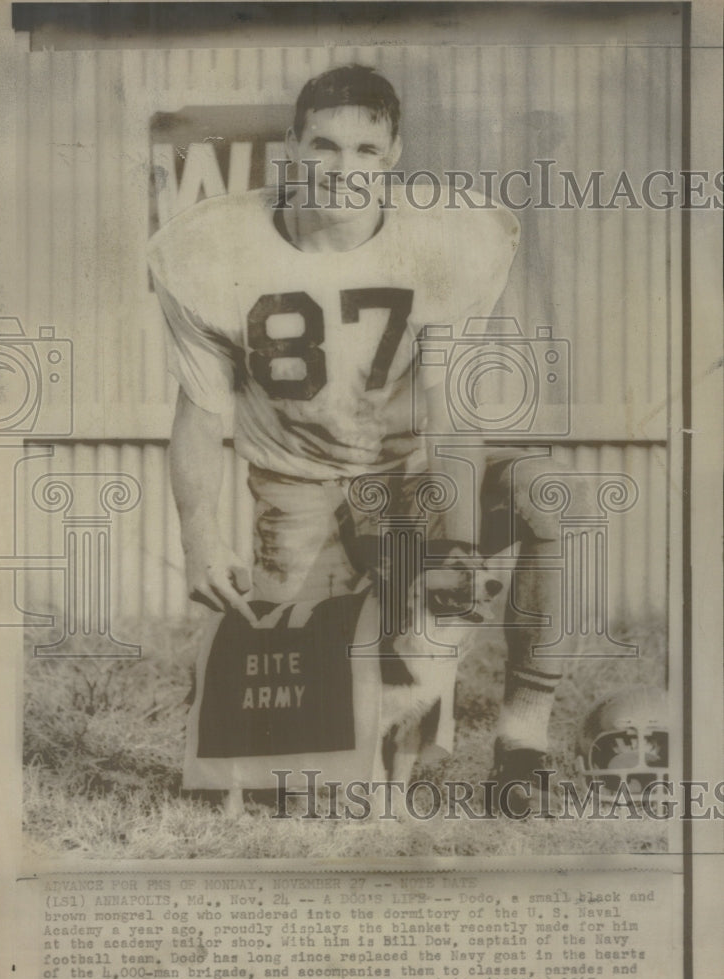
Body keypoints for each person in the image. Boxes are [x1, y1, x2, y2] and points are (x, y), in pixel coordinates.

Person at [147, 64, 565, 814]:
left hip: (408, 481)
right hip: (297, 494)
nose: (344, 169)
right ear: (291, 147)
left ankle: (522, 735)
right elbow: (201, 412)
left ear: (394, 151)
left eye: (366, 151)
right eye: (325, 146)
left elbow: (452, 414)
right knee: (305, 779)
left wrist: (460, 542)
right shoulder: (216, 248)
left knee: (546, 491)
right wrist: (200, 534)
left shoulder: (440, 242)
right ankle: (337, 719)